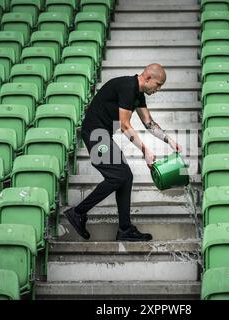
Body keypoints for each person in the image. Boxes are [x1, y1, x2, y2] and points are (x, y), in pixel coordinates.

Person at [63, 63, 182, 241]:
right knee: (118, 176)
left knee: (125, 176)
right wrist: (145, 150)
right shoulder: (128, 87)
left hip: (102, 135)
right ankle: (78, 212)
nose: (158, 89)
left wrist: (170, 140)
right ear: (148, 78)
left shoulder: (138, 94)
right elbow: (126, 126)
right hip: (95, 134)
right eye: (158, 85)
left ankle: (124, 230)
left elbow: (148, 123)